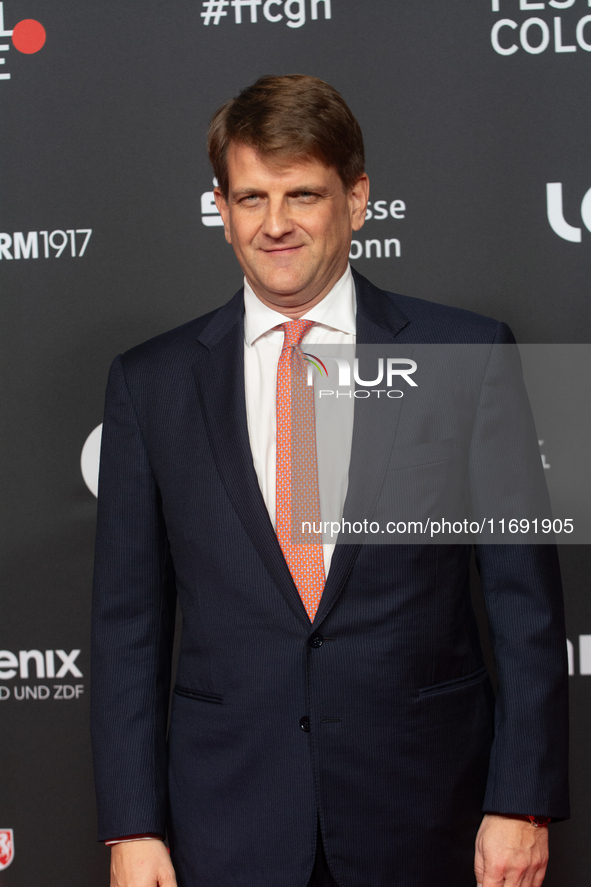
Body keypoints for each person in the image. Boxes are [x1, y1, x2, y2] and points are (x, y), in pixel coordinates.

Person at [91, 75, 569, 887]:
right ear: (221, 208)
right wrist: (132, 827)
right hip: (225, 823)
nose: (274, 224)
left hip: (426, 815)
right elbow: (127, 625)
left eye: (302, 194)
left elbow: (525, 606)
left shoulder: (469, 354)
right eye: (249, 198)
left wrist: (520, 803)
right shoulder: (151, 382)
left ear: (356, 197)